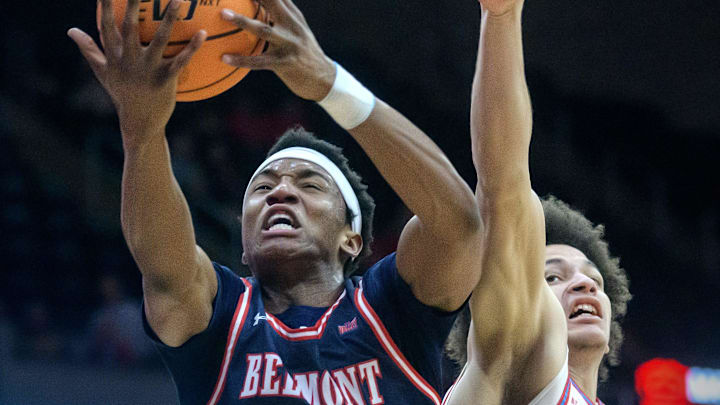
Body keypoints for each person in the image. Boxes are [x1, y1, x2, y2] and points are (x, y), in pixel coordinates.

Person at [67, 0, 482, 403]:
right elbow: (163, 268)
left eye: (311, 185)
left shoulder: (388, 308)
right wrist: (141, 134)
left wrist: (331, 84)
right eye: (262, 189)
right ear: (244, 246)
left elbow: (460, 226)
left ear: (351, 240)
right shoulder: (221, 317)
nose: (281, 192)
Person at [440, 0, 631, 403]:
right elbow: (503, 185)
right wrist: (502, 16)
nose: (583, 283)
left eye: (592, 279)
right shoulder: (505, 363)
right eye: (551, 278)